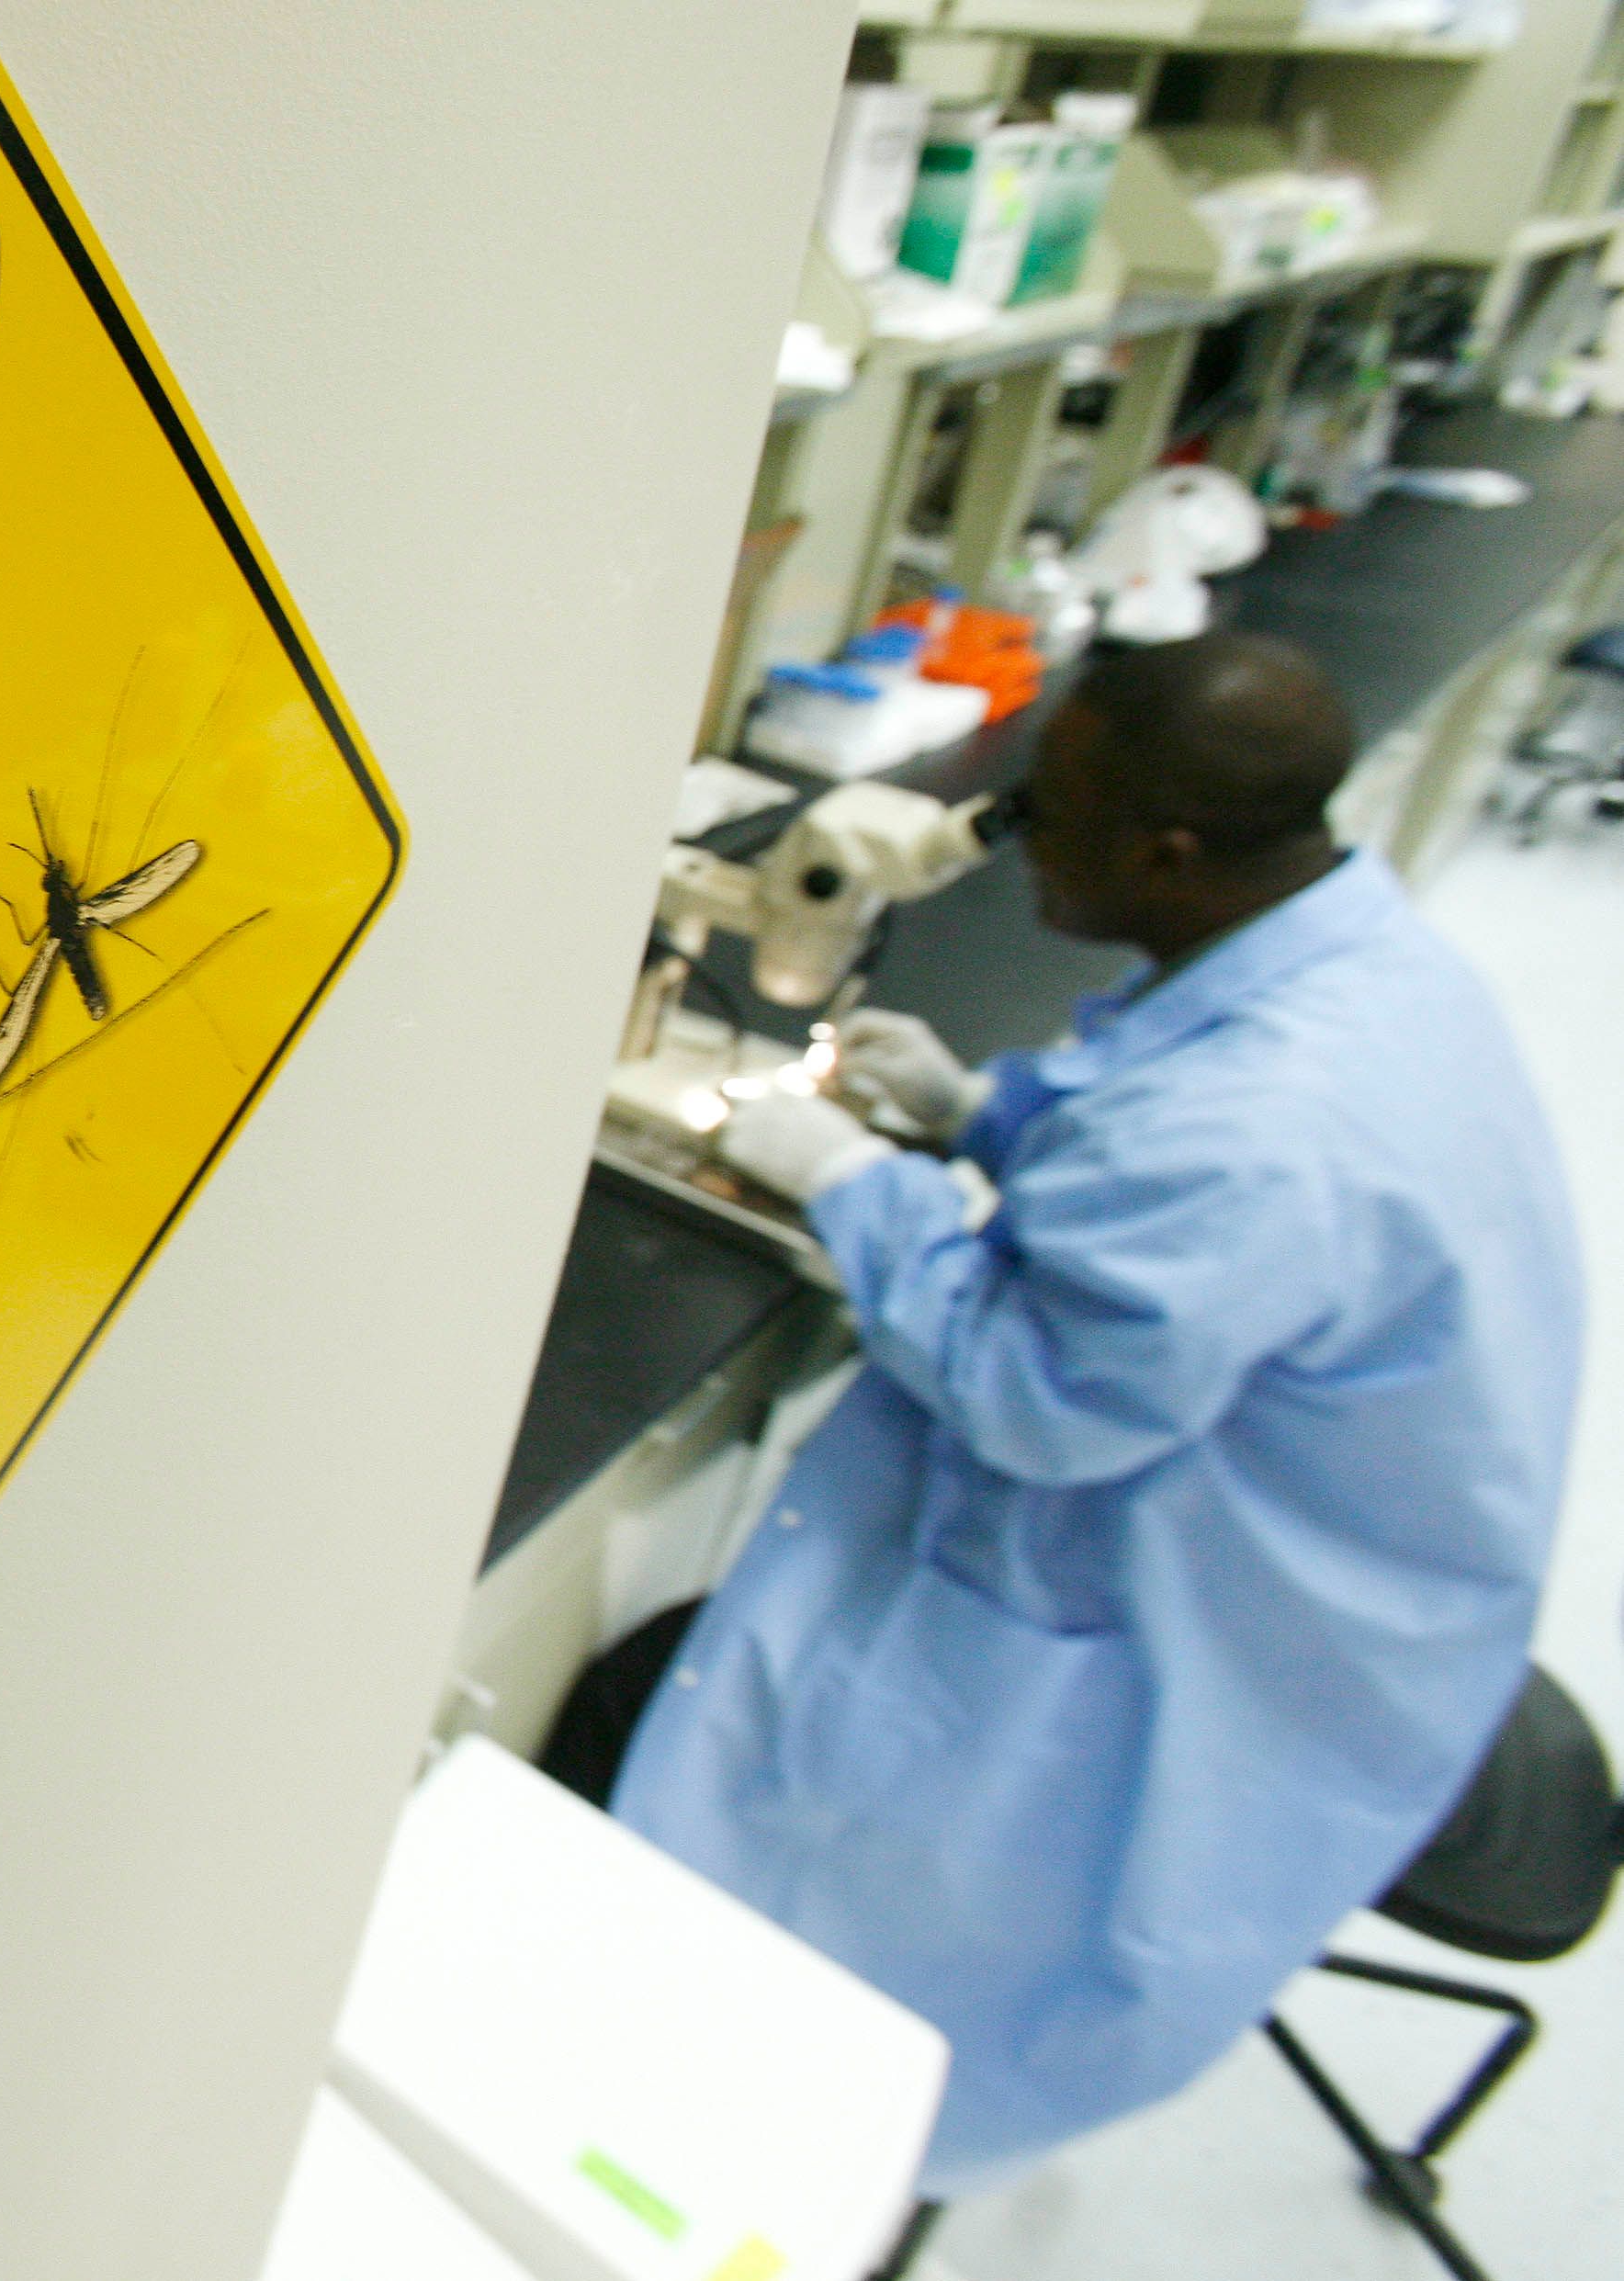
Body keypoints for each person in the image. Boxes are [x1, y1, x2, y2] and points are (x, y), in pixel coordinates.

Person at [600, 632, 1585, 2196]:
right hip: (1345, 1558)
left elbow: (1036, 1395)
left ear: (1163, 852)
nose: (1003, 839)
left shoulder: (1264, 1128)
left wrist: (855, 1182)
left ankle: (719, 2172)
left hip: (1226, 1664)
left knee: (784, 1966)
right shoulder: (1341, 953)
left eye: (1040, 813)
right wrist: (987, 1114)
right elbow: (1160, 1148)